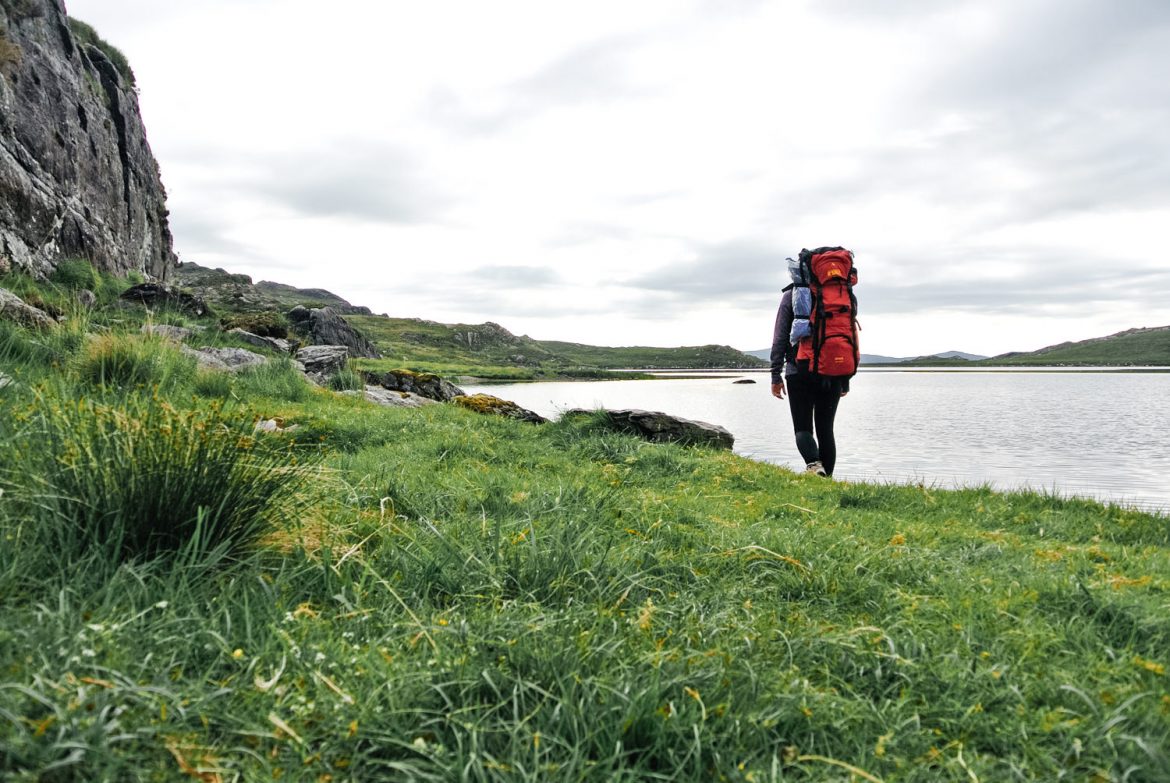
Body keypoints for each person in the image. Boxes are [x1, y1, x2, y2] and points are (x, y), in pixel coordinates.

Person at [770, 285, 850, 477]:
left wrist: (775, 374)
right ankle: (827, 481)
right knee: (826, 430)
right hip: (832, 371)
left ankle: (814, 466)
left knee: (802, 427)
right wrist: (845, 379)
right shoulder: (839, 294)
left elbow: (780, 336)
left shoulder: (792, 295)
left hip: (799, 370)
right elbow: (848, 337)